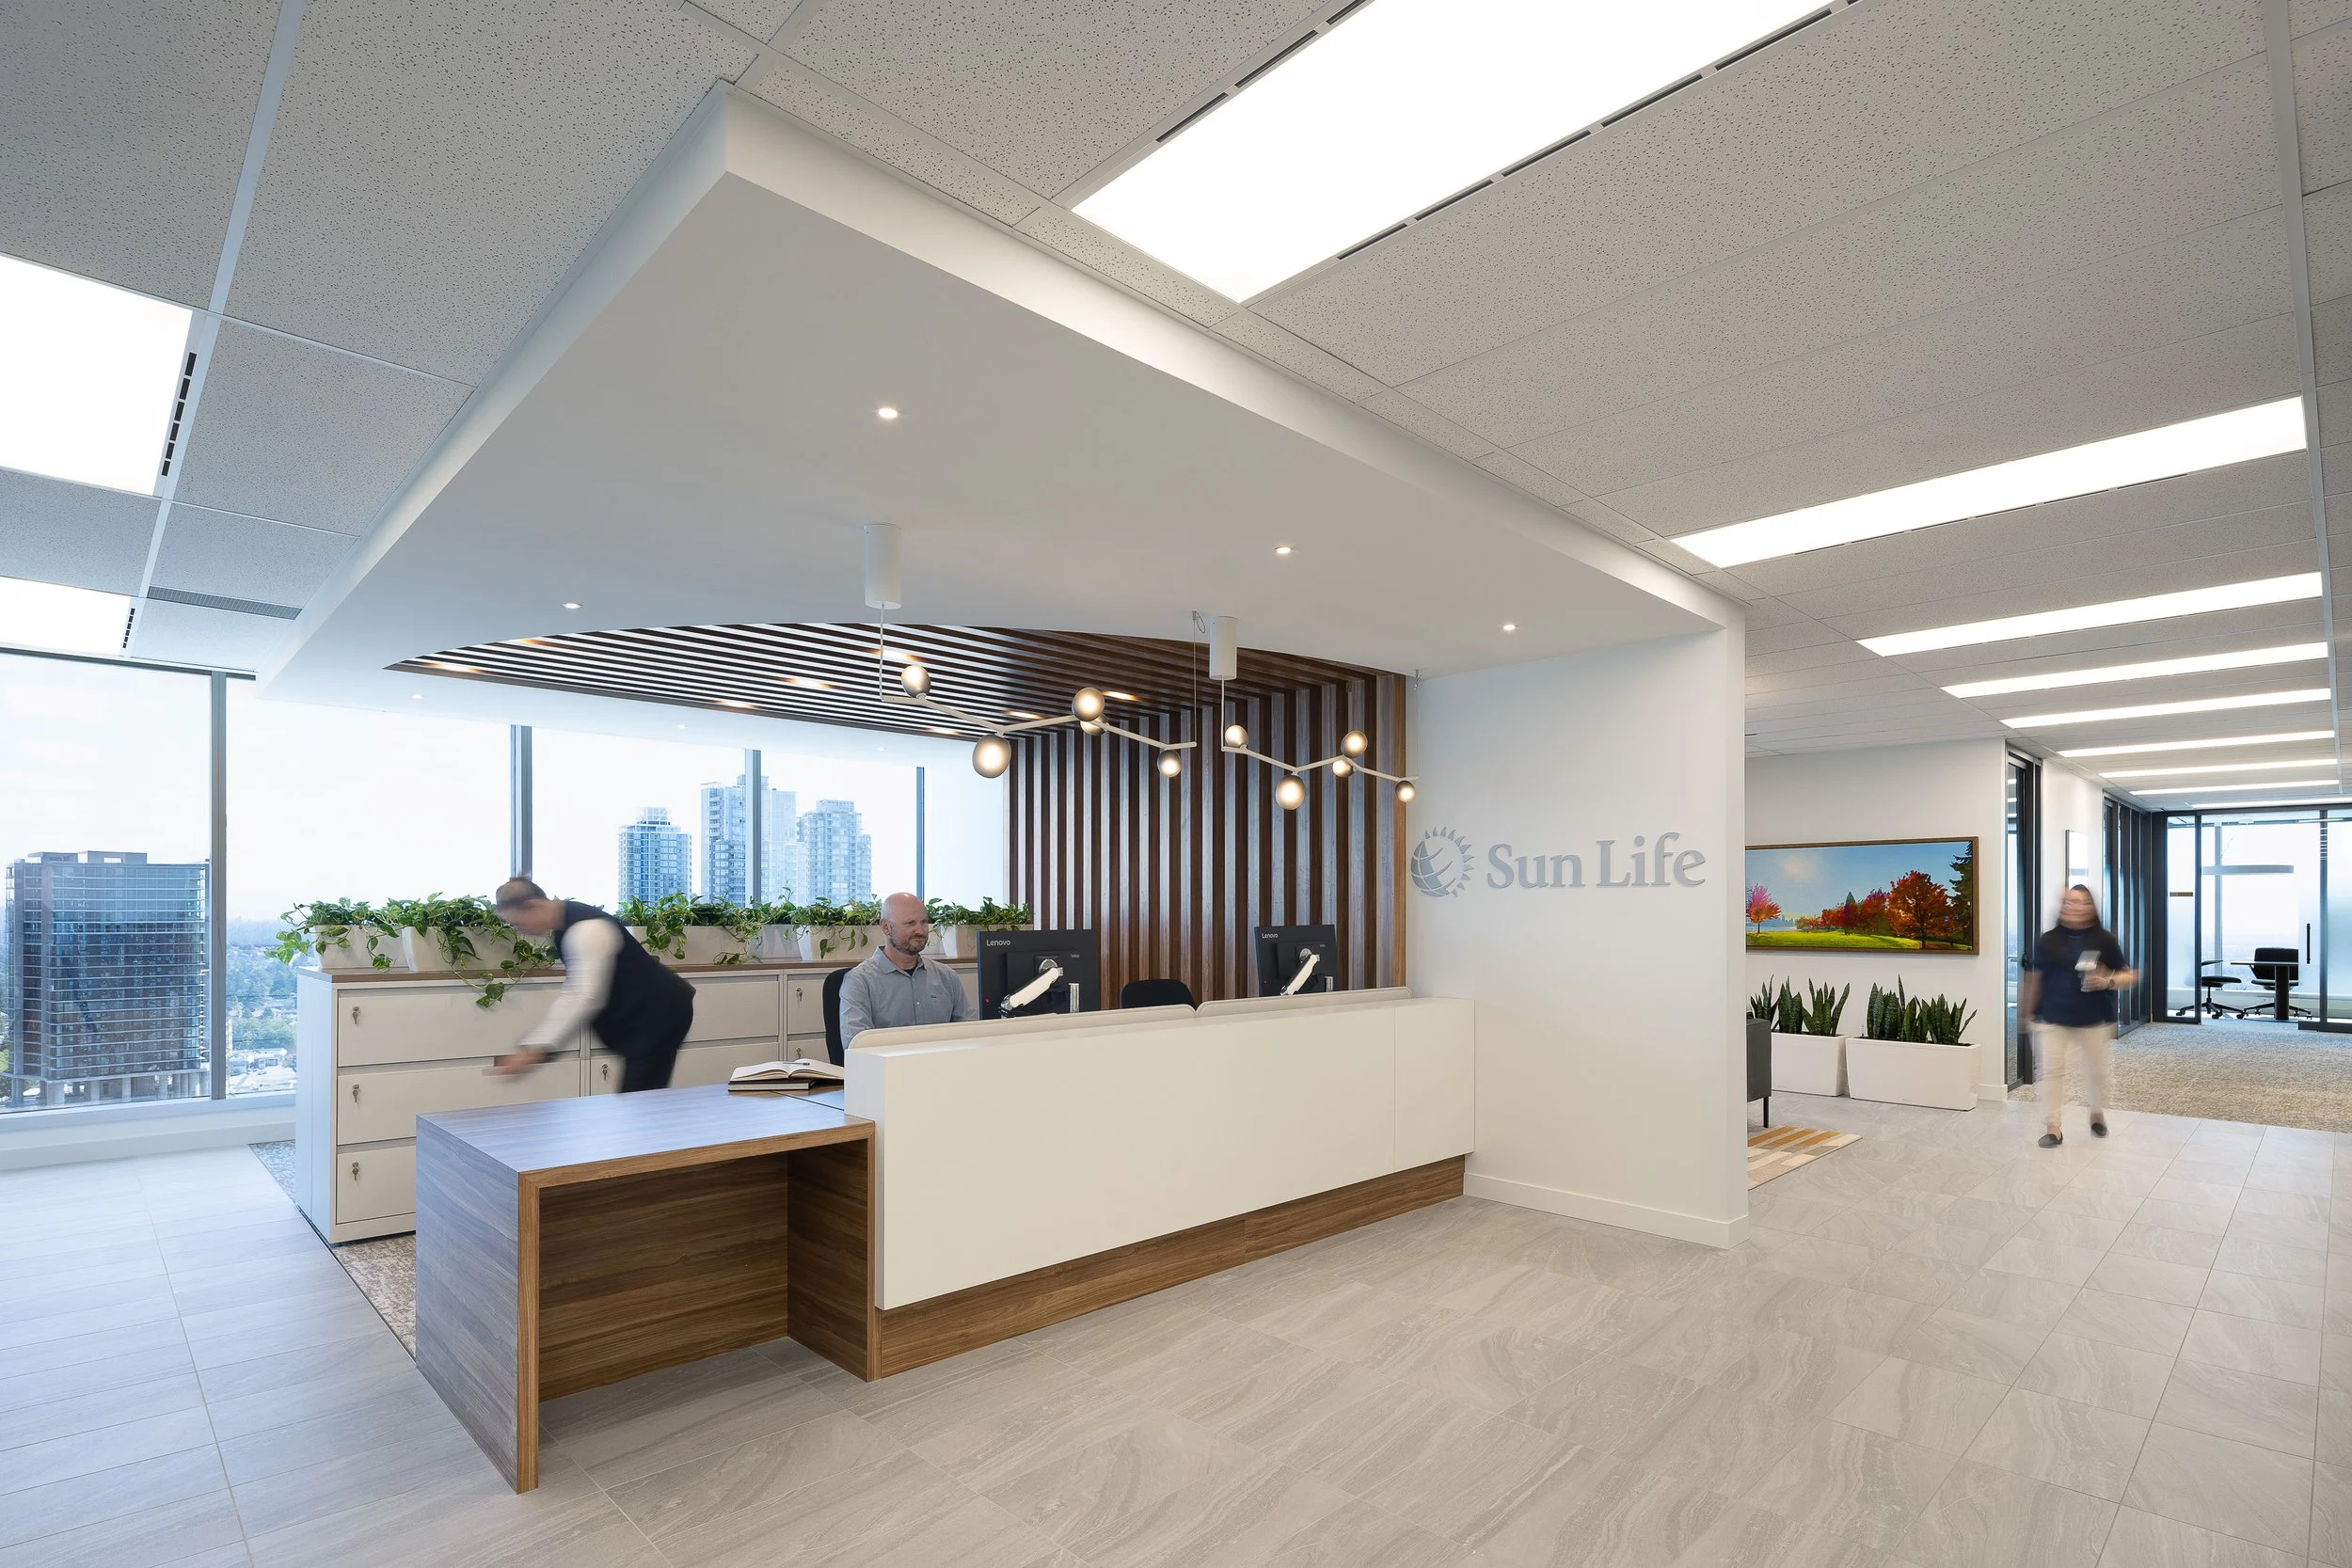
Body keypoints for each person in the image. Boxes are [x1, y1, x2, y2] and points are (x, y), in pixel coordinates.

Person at [488, 878, 695, 1091]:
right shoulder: (566, 927)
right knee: (640, 1099)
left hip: (659, 1015)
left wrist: (533, 1050)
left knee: (639, 1100)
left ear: (533, 905)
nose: (520, 930)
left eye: (517, 923)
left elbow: (583, 996)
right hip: (649, 1016)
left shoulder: (587, 929)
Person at [2024, 883, 2136, 1148]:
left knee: (2096, 1072)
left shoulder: (2104, 939)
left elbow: (2129, 975)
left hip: (2092, 1018)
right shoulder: (2048, 939)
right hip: (2052, 1016)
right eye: (2070, 902)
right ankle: (2054, 1128)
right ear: (2063, 906)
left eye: (2082, 902)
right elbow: (2034, 978)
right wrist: (2026, 1012)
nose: (2075, 907)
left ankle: (2096, 1112)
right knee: (2051, 1072)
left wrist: (2107, 979)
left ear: (2091, 907)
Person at [837, 892, 975, 1049]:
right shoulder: (859, 981)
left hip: (940, 1068)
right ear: (886, 927)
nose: (920, 930)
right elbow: (857, 1046)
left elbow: (970, 1032)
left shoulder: (947, 977)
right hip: (887, 1070)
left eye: (923, 922)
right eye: (910, 923)